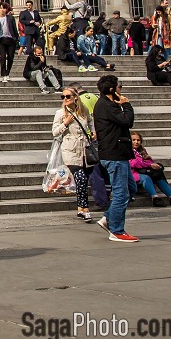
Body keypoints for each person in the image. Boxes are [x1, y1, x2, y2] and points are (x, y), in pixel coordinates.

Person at [93, 74, 138, 242]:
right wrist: (126, 104)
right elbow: (128, 121)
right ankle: (117, 230)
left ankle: (108, 218)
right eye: (119, 87)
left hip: (117, 153)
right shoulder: (107, 105)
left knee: (130, 188)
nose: (121, 89)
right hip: (115, 154)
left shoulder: (106, 104)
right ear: (112, 89)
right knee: (121, 192)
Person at [52, 89, 96, 221]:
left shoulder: (83, 111)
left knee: (83, 180)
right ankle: (85, 208)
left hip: (84, 149)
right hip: (70, 150)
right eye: (63, 96)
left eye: (67, 96)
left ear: (75, 97)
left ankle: (80, 209)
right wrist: (65, 123)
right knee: (81, 178)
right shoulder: (60, 113)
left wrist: (93, 132)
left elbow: (90, 122)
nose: (65, 99)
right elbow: (55, 132)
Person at [129, 132, 171, 207]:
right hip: (132, 173)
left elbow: (149, 162)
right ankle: (155, 198)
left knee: (158, 176)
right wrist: (149, 164)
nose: (136, 142)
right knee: (146, 178)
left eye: (138, 140)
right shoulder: (127, 150)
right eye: (134, 140)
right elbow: (134, 163)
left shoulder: (142, 150)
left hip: (144, 171)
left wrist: (150, 161)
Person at [0, 4, 19, 82]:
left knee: (10, 57)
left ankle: (7, 73)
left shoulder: (10, 18)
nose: (2, 10)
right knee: (2, 57)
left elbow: (14, 29)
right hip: (1, 40)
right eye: (1, 8)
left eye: (4, 9)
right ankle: (3, 74)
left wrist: (16, 39)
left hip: (10, 39)